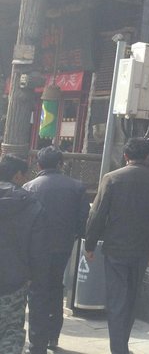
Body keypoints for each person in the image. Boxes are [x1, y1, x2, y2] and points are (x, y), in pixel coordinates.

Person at [84, 138, 149, 354]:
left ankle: (119, 348)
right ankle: (123, 346)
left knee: (117, 299)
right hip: (142, 249)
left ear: (125, 156)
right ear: (148, 156)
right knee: (132, 298)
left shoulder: (112, 179)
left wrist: (90, 244)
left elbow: (97, 214)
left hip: (116, 248)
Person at [23, 146, 89, 354]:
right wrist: (74, 235)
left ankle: (37, 343)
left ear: (39, 164)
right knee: (55, 287)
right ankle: (53, 335)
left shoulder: (29, 187)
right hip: (63, 246)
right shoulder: (77, 187)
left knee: (37, 292)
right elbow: (83, 220)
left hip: (36, 249)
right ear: (61, 164)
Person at [0, 156, 47, 354]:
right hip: (14, 281)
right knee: (11, 330)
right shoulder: (31, 205)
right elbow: (38, 249)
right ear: (17, 175)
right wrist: (34, 277)